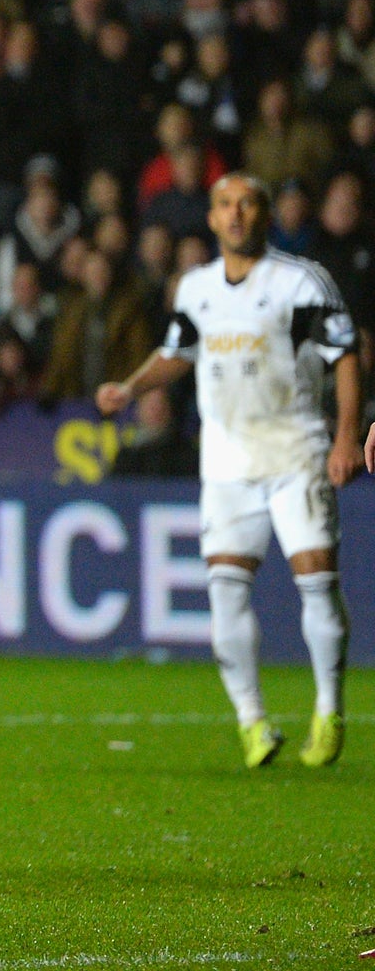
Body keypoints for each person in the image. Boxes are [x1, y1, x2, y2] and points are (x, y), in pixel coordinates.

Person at [97, 174, 368, 769]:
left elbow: (344, 355)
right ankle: (253, 722)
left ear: (265, 215)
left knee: (315, 579)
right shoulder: (195, 288)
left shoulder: (299, 281)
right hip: (225, 461)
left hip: (294, 447)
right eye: (224, 205)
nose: (236, 214)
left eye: (247, 203)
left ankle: (328, 708)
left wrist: (345, 435)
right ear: (213, 220)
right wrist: (131, 385)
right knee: (224, 590)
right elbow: (177, 351)